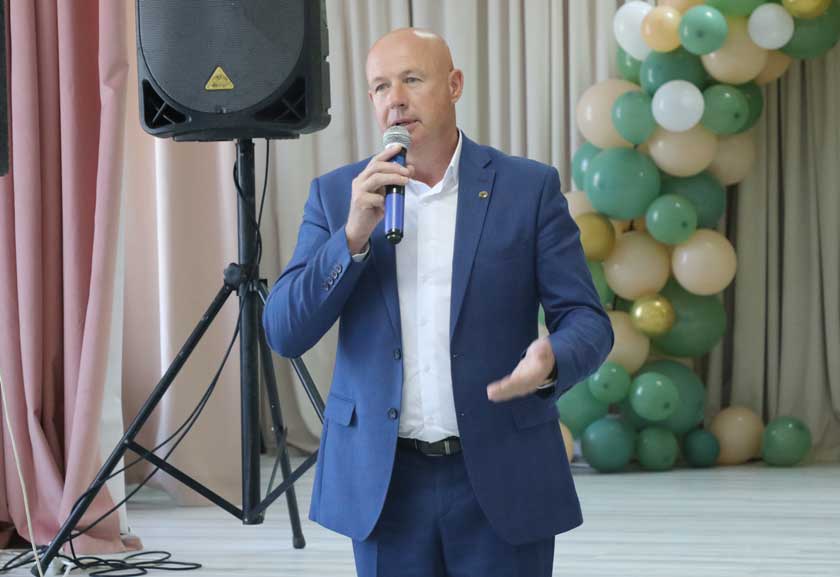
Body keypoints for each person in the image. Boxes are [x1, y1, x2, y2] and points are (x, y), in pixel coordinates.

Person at [263, 28, 613, 577]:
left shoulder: (527, 188)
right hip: (384, 484)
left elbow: (587, 320)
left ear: (454, 85)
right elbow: (284, 331)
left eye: (412, 79)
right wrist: (350, 238)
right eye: (381, 86)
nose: (396, 99)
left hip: (501, 473)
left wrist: (553, 360)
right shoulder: (337, 196)